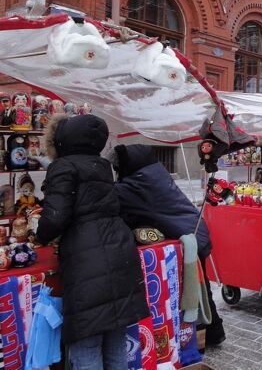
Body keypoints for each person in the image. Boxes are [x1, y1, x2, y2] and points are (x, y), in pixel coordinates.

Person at [36, 114, 149, 370]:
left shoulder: (63, 166)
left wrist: (38, 236)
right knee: (115, 337)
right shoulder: (101, 165)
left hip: (87, 258)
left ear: (62, 140)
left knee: (86, 341)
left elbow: (55, 218)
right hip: (118, 249)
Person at [110, 144, 226, 346]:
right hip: (194, 230)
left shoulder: (139, 183)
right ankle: (214, 333)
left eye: (118, 168)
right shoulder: (152, 173)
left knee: (195, 288)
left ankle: (200, 337)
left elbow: (111, 197)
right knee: (201, 286)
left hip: (191, 236)